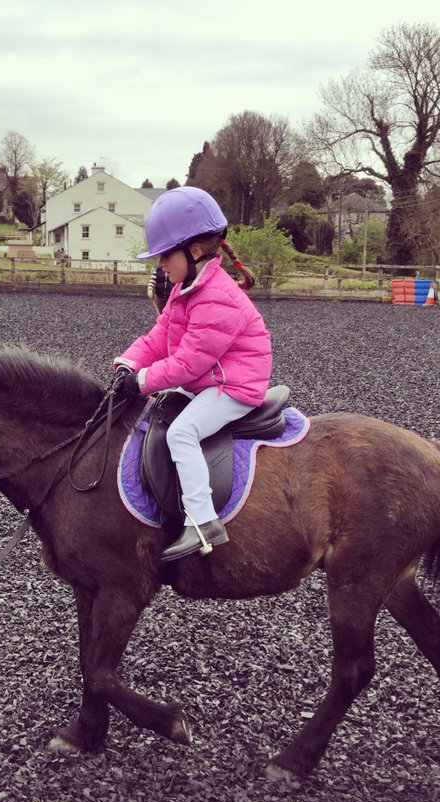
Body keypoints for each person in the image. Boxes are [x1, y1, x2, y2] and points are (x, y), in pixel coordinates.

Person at [114, 186, 272, 561]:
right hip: (209, 381)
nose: (160, 265)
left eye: (165, 255)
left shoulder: (219, 296)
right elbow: (158, 337)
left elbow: (188, 363)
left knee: (183, 432)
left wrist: (141, 382)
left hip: (233, 385)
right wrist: (127, 364)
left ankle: (203, 524)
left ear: (194, 251)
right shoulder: (185, 289)